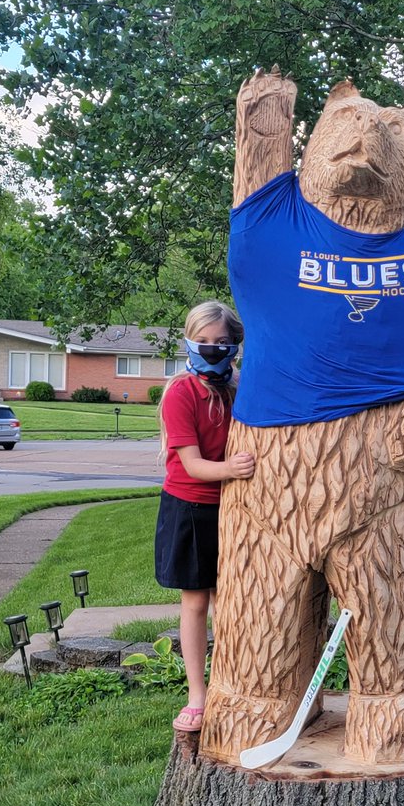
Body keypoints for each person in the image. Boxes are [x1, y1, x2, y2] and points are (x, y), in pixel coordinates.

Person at [154, 301, 255, 732]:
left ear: (235, 346)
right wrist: (231, 470)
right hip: (190, 507)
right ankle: (198, 693)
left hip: (235, 508)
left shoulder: (240, 386)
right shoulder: (181, 392)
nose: (212, 350)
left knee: (232, 601)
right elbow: (193, 464)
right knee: (196, 602)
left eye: (222, 343)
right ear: (188, 342)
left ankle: (232, 682)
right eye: (204, 342)